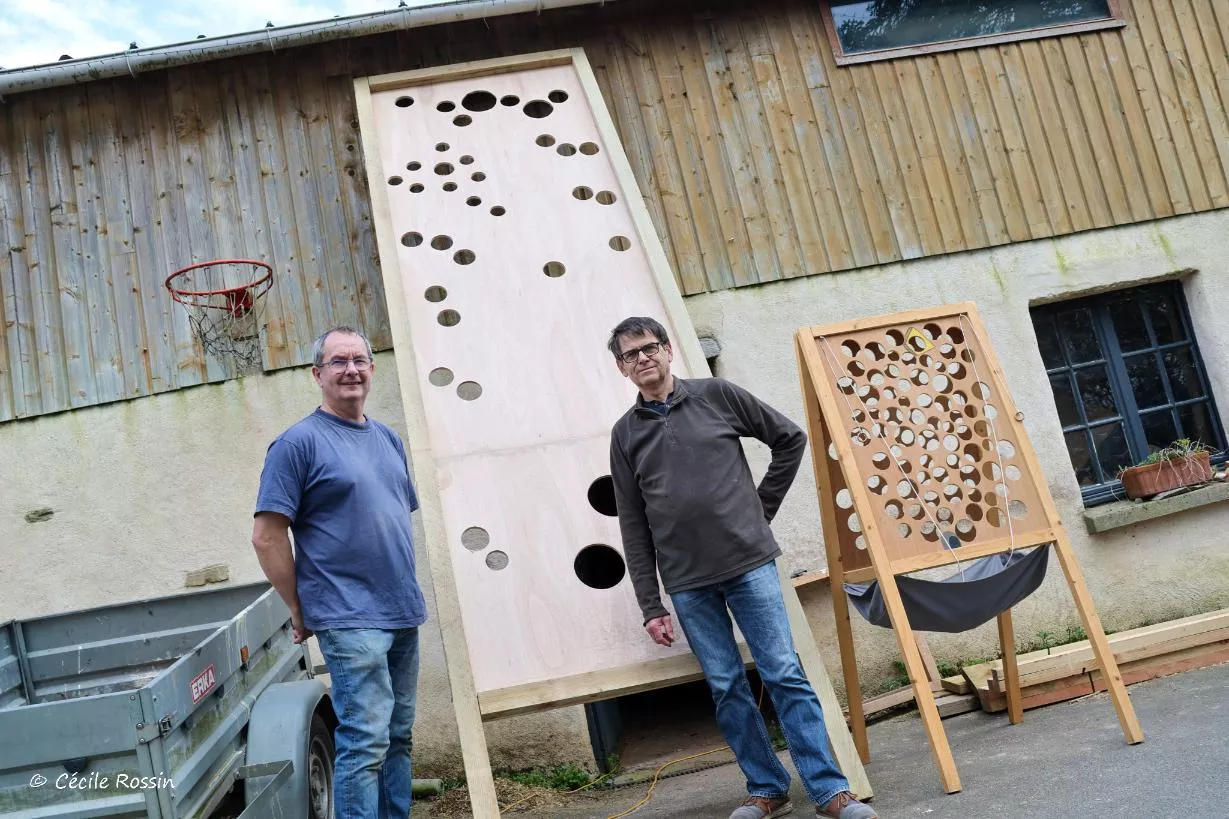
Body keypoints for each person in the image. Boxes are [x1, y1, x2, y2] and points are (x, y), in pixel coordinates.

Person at [607, 317, 878, 819]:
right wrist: (650, 602)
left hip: (749, 564)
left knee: (783, 674)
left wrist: (759, 511)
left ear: (668, 351)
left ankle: (829, 792)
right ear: (622, 369)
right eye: (630, 355)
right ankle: (767, 790)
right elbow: (633, 524)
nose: (642, 359)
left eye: (649, 348)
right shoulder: (625, 435)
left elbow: (790, 440)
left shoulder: (717, 394)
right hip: (688, 583)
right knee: (727, 687)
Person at [252, 326, 426, 819]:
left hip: (401, 611)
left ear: (372, 368)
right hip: (349, 618)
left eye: (359, 360)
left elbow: (389, 521)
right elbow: (267, 536)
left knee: (397, 737)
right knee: (365, 742)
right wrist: (297, 606)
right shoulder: (296, 444)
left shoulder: (388, 438)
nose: (351, 369)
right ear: (317, 374)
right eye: (338, 361)